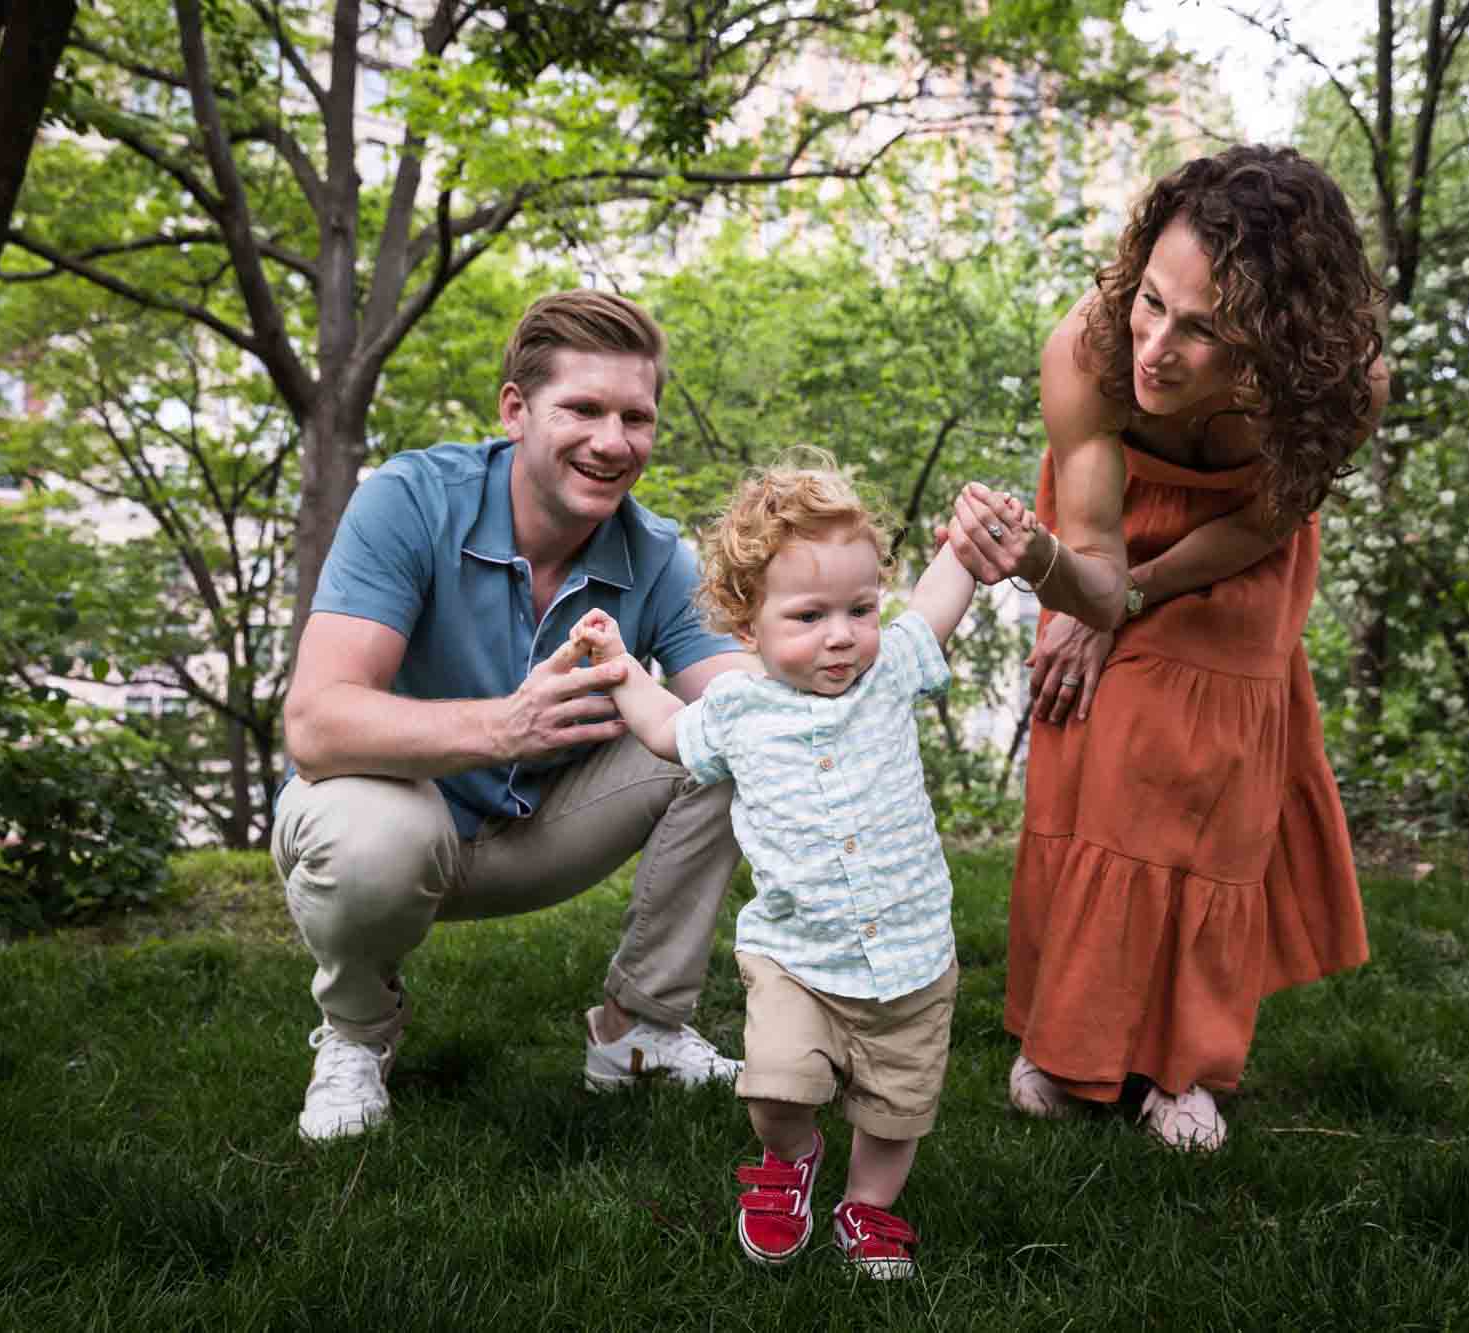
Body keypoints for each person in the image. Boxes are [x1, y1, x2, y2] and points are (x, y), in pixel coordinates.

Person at [946, 145, 1390, 1150]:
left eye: (1204, 332)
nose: (1154, 349)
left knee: (1205, 775)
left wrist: (1136, 600)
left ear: (1281, 341)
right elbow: (1096, 566)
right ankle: (1069, 1040)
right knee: (1098, 753)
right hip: (1111, 529)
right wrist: (1047, 572)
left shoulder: (1341, 385)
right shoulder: (1091, 348)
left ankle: (1180, 1063)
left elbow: (1261, 526)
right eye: (1153, 301)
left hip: (1235, 550)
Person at [273, 289, 753, 1142]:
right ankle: (356, 1032)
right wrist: (505, 726)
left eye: (635, 416)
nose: (613, 441)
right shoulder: (409, 501)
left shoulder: (657, 554)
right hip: (389, 823)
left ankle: (639, 1026)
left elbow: (749, 703)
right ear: (515, 410)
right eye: (583, 409)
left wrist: (865, 631)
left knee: (733, 738)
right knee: (370, 836)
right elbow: (315, 726)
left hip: (541, 834)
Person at [569, 454, 1028, 1278]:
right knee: (773, 1090)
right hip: (796, 958)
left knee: (896, 1111)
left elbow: (933, 605)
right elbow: (669, 731)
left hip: (912, 957)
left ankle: (868, 1208)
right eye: (810, 615)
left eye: (859, 607)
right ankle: (793, 1159)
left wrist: (967, 544)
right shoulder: (738, 710)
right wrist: (622, 668)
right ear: (748, 627)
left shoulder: (887, 673)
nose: (843, 633)